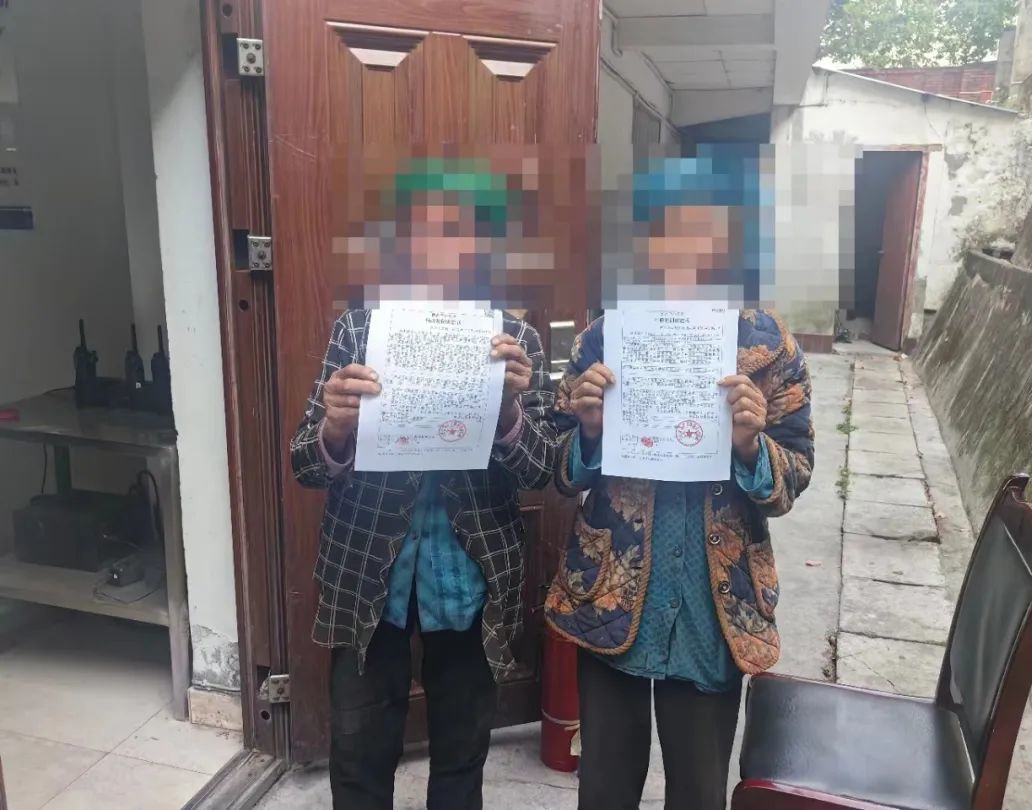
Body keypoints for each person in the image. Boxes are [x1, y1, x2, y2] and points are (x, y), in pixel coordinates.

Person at [546, 152, 815, 810]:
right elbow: (556, 467)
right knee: (604, 787)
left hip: (712, 606)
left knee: (698, 789)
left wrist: (750, 446)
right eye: (668, 230)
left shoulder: (770, 348)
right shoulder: (604, 340)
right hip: (611, 596)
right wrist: (588, 432)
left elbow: (795, 471)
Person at [290, 161, 557, 810]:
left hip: (470, 575)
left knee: (462, 755)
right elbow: (304, 463)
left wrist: (508, 413)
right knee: (358, 754)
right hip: (366, 572)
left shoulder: (514, 340)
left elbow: (545, 469)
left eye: (461, 232)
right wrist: (336, 428)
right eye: (425, 232)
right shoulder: (360, 330)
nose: (442, 250)